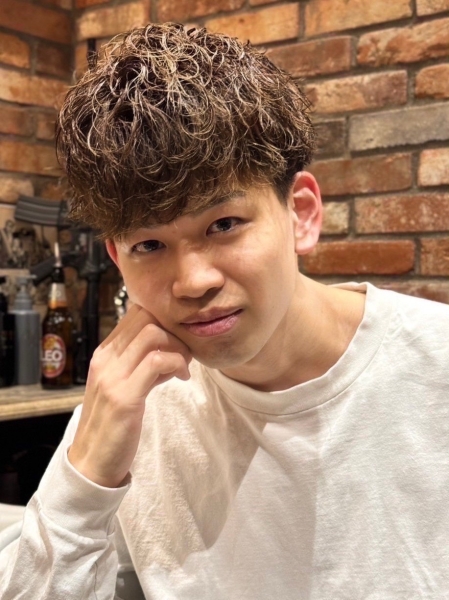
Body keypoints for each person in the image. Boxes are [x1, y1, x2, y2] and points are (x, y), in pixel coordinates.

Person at [1, 23, 449, 599]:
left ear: (301, 214)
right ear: (117, 258)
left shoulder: (434, 368)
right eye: (149, 245)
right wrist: (87, 475)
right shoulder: (131, 407)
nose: (193, 282)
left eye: (224, 224)